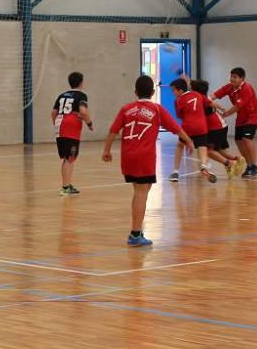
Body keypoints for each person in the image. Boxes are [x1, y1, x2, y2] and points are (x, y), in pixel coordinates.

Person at [102, 75, 193, 246]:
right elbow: (175, 128)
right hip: (144, 157)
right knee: (142, 193)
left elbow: (113, 130)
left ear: (135, 92)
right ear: (152, 92)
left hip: (127, 156)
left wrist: (106, 150)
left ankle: (137, 231)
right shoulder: (157, 110)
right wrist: (188, 140)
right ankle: (135, 234)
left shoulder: (126, 109)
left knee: (138, 192)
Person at [212, 67, 257, 178]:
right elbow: (213, 96)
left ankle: (254, 166)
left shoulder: (246, 88)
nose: (232, 79)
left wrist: (224, 114)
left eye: (235, 77)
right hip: (242, 117)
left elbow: (236, 107)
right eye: (231, 76)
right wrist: (205, 100)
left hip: (253, 115)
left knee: (246, 139)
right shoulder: (229, 87)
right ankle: (249, 165)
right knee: (238, 140)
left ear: (242, 78)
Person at [192, 79, 245, 178]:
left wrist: (222, 109)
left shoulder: (201, 99)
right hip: (221, 125)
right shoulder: (203, 97)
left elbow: (213, 104)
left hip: (215, 128)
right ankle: (237, 159)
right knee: (219, 149)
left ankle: (229, 163)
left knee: (207, 150)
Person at [169, 78, 217, 183]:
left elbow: (179, 115)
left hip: (188, 127)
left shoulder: (178, 100)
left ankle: (175, 172)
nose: (173, 93)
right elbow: (209, 103)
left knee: (180, 146)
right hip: (201, 126)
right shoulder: (197, 94)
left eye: (173, 90)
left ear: (180, 90)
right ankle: (204, 166)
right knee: (202, 147)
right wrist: (221, 109)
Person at [52, 72, 92, 196]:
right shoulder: (81, 96)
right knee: (70, 158)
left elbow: (54, 112)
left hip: (60, 126)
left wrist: (57, 125)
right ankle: (65, 187)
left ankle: (66, 185)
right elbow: (83, 111)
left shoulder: (61, 95)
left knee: (66, 158)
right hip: (71, 127)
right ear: (81, 83)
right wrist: (89, 123)